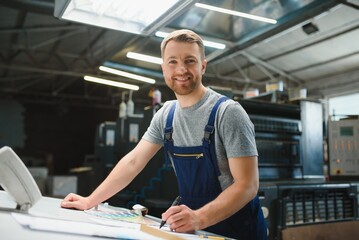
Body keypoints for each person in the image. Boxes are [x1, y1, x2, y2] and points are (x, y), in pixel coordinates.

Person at [61, 29, 267, 240]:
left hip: (238, 230)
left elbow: (247, 185)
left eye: (190, 61)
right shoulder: (165, 115)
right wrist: (90, 200)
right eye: (172, 62)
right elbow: (133, 161)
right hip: (195, 231)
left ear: (203, 65)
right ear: (163, 68)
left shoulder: (228, 113)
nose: (181, 69)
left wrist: (198, 218)